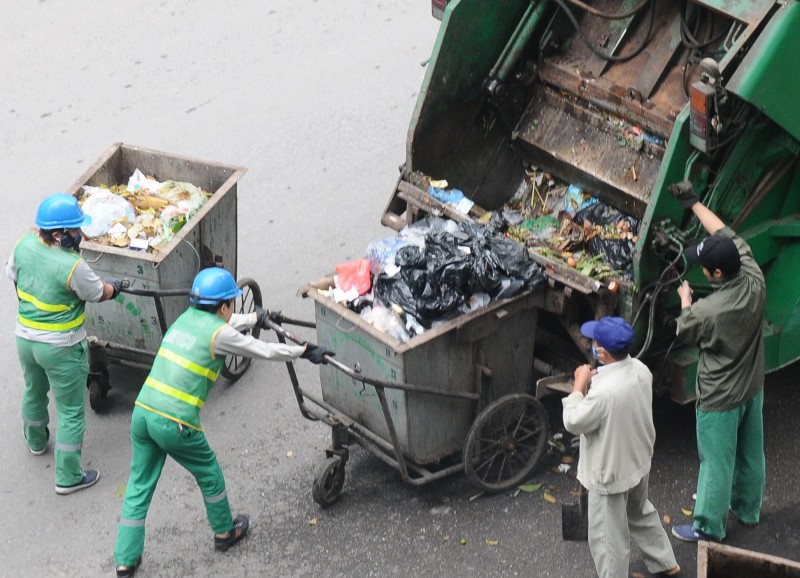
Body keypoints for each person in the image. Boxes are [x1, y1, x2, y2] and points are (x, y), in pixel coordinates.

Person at [113, 266, 332, 577]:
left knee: (138, 485)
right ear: (225, 305)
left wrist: (256, 318)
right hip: (175, 423)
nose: (233, 308)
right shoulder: (219, 334)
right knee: (210, 475)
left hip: (144, 412)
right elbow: (263, 350)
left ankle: (124, 559)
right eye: (232, 303)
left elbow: (228, 324)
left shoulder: (186, 319)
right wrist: (305, 351)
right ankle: (225, 532)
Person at [668, 180, 766, 543]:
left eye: (703, 267)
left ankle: (707, 527)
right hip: (751, 386)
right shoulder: (753, 274)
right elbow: (722, 231)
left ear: (717, 275)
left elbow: (683, 327)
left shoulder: (708, 312)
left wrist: (684, 297)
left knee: (716, 463)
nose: (702, 270)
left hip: (719, 399)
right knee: (751, 454)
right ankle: (748, 510)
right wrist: (694, 202)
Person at [7, 193, 121, 494]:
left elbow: (13, 276)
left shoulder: (24, 244)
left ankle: (35, 441)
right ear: (59, 234)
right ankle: (68, 477)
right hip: (61, 346)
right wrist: (116, 287)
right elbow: (99, 293)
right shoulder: (73, 266)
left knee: (34, 389)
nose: (80, 235)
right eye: (75, 230)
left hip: (25, 338)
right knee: (70, 410)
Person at [563, 316, 680, 578]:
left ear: (601, 351)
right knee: (639, 512)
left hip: (610, 475)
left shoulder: (603, 394)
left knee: (607, 539)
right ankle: (665, 562)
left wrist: (579, 385)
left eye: (594, 342)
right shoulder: (641, 369)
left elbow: (573, 420)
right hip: (638, 460)